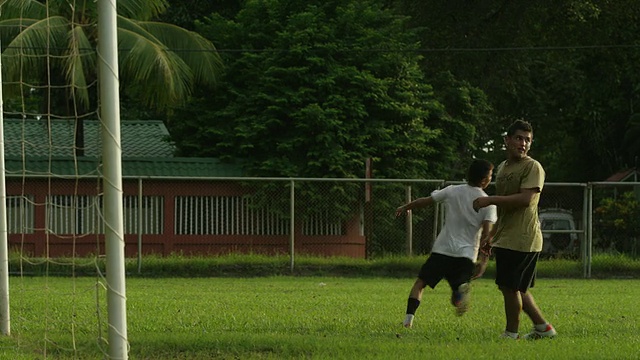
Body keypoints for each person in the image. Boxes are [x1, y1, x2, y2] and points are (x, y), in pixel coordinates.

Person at [473, 119, 557, 340]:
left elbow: (526, 199)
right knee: (517, 288)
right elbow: (504, 208)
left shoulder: (532, 166)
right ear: (507, 140)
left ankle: (511, 333)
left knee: (509, 287)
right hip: (506, 236)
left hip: (523, 238)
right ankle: (543, 328)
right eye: (519, 138)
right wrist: (491, 236)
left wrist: (489, 199)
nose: (523, 143)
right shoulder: (502, 167)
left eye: (527, 140)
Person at [396, 159, 497, 328]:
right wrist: (484, 261)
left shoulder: (452, 191)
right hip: (466, 255)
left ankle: (408, 321)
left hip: (442, 250)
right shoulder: (488, 203)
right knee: (458, 290)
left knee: (420, 284)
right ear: (484, 180)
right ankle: (460, 291)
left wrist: (407, 206)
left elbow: (426, 200)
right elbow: (487, 236)